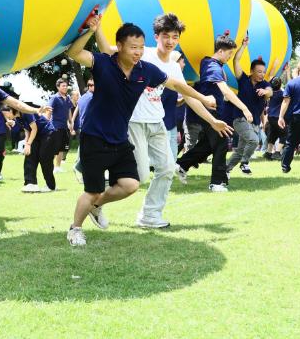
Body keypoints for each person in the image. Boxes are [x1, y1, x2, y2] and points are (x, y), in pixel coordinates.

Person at [64, 14, 228, 246]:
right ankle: (75, 228)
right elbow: (79, 53)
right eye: (133, 47)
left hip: (124, 135)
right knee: (94, 189)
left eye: (140, 48)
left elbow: (176, 85)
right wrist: (93, 30)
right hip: (98, 135)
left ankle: (120, 209)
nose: (138, 51)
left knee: (133, 183)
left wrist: (205, 102)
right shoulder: (105, 63)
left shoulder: (146, 69)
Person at [124, 13, 224, 226]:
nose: (170, 41)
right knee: (140, 176)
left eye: (175, 37)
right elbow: (112, 52)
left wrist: (212, 120)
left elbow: (187, 95)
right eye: (166, 36)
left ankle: (150, 215)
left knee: (168, 168)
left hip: (157, 121)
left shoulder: (172, 66)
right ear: (156, 36)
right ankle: (95, 193)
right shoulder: (143, 54)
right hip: (133, 120)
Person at [175, 32, 252, 192]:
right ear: (221, 51)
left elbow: (235, 58)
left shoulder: (208, 62)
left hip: (210, 111)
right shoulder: (212, 65)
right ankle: (217, 183)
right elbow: (226, 91)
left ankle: (182, 164)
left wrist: (243, 46)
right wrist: (244, 108)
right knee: (221, 143)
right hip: (209, 111)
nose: (230, 57)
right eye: (229, 53)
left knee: (209, 144)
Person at [224, 38, 272, 175]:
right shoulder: (243, 79)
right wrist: (244, 46)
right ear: (251, 71)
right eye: (259, 71)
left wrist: (266, 92)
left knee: (240, 150)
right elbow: (236, 61)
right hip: (240, 118)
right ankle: (245, 163)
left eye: (264, 72)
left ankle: (225, 170)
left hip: (255, 122)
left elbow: (270, 92)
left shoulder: (265, 84)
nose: (262, 74)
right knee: (254, 140)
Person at [49, 80, 75, 172]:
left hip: (64, 127)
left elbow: (69, 110)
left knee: (61, 148)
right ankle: (49, 166)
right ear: (58, 87)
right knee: (54, 148)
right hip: (55, 126)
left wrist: (71, 122)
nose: (65, 87)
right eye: (63, 86)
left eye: (66, 86)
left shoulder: (67, 97)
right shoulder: (54, 98)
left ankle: (57, 167)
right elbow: (49, 110)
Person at [263, 77, 286, 160]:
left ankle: (268, 153)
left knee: (273, 134)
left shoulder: (271, 93)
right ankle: (277, 152)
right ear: (280, 84)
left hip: (271, 117)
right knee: (284, 134)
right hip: (277, 117)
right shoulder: (282, 94)